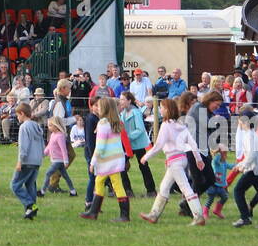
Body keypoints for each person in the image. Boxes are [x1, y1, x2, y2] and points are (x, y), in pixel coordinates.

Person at [138, 97, 206, 226]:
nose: (160, 110)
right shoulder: (181, 125)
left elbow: (158, 145)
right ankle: (154, 214)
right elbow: (192, 143)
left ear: (167, 110)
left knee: (186, 188)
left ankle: (198, 216)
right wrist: (198, 159)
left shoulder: (165, 125)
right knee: (164, 187)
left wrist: (146, 157)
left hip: (174, 161)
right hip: (181, 159)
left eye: (162, 108)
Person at [81, 97, 129, 222]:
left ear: (105, 109)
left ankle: (124, 215)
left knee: (116, 185)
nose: (97, 108)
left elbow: (100, 146)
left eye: (100, 106)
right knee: (99, 181)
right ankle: (93, 211)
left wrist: (93, 162)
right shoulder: (114, 122)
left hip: (108, 161)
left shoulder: (103, 123)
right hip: (116, 159)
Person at [231, 112, 258, 229]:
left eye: (240, 120)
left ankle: (245, 217)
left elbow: (251, 155)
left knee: (238, 190)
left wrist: (241, 166)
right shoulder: (251, 134)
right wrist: (241, 164)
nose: (238, 122)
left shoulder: (249, 136)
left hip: (254, 170)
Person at [12, 102, 44, 220]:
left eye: (17, 115)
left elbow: (23, 146)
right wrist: (40, 156)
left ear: (22, 113)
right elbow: (42, 144)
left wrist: (20, 161)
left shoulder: (24, 127)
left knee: (15, 185)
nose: (17, 118)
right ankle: (31, 211)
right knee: (30, 184)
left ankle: (30, 205)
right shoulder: (37, 126)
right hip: (37, 161)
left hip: (27, 161)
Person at [39, 117, 76, 196]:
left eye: (50, 125)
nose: (49, 127)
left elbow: (63, 149)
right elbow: (49, 146)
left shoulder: (60, 136)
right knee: (66, 176)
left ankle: (42, 191)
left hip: (58, 160)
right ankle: (73, 191)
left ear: (56, 126)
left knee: (48, 173)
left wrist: (66, 160)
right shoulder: (53, 135)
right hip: (55, 160)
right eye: (49, 125)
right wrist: (43, 154)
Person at [205, 148, 231, 219]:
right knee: (210, 199)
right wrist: (219, 153)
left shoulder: (224, 163)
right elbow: (216, 159)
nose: (226, 157)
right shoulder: (215, 162)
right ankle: (205, 212)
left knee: (224, 197)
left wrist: (238, 166)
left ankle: (217, 210)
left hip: (220, 186)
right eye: (225, 155)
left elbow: (231, 166)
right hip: (213, 185)